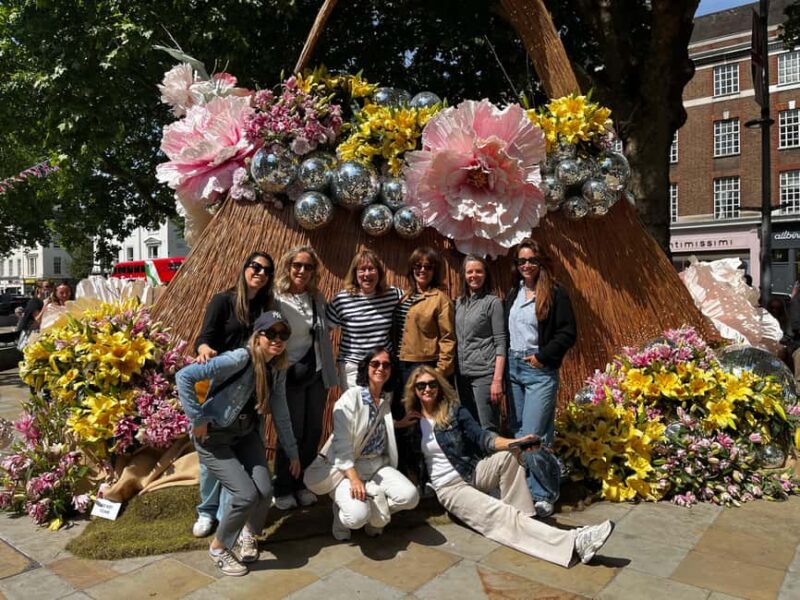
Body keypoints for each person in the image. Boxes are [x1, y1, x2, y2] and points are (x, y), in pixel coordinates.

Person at [403, 366, 613, 567]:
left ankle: (527, 522)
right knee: (500, 513)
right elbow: (400, 455)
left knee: (508, 458)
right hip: (450, 488)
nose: (427, 389)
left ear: (439, 386)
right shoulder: (411, 423)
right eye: (421, 386)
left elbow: (482, 437)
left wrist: (516, 443)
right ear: (414, 390)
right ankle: (574, 543)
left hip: (472, 472)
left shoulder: (452, 410)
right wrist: (398, 425)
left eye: (432, 384)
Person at [176, 311, 300, 577]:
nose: (277, 339)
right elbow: (184, 376)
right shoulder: (239, 358)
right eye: (271, 333)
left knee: (265, 491)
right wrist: (197, 417)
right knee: (246, 495)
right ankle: (219, 548)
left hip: (245, 434)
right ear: (258, 336)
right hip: (214, 438)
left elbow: (281, 411)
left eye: (283, 334)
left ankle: (249, 533)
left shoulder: (277, 368)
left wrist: (292, 452)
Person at [192, 252, 275, 538]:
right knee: (212, 453)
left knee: (238, 456)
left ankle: (228, 514)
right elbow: (204, 337)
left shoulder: (264, 308)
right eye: (255, 267)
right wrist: (204, 349)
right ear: (244, 269)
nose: (260, 273)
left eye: (266, 270)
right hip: (222, 386)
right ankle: (206, 510)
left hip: (251, 389)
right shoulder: (223, 301)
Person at [504, 238, 576, 517]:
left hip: (539, 369)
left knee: (532, 435)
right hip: (513, 367)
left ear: (540, 262)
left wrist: (543, 356)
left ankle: (544, 494)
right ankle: (532, 489)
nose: (526, 265)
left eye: (531, 260)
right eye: (521, 261)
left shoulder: (555, 293)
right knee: (524, 430)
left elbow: (567, 332)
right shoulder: (514, 293)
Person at [328, 347, 419, 540]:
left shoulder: (384, 399)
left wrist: (399, 424)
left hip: (378, 464)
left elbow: (374, 426)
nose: (381, 368)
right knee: (356, 517)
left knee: (411, 497)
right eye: (375, 364)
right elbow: (342, 444)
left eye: (386, 365)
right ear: (365, 368)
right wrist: (353, 479)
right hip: (350, 467)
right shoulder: (351, 399)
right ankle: (341, 510)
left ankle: (374, 513)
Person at [273, 246, 338, 510]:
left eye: (308, 267)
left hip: (317, 370)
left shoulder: (316, 297)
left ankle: (304, 484)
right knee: (292, 431)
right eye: (297, 265)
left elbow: (323, 328)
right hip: (289, 373)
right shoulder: (277, 298)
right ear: (288, 267)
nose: (302, 271)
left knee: (312, 430)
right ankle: (283, 486)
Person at [326, 250, 403, 391]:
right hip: (354, 365)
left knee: (381, 410)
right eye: (362, 270)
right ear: (355, 274)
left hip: (383, 365)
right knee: (356, 409)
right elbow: (325, 330)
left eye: (371, 269)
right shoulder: (342, 300)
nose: (367, 274)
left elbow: (413, 303)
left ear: (379, 272)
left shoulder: (392, 295)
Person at [454, 254, 506, 432]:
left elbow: (500, 343)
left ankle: (496, 460)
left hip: (484, 374)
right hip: (461, 377)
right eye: (469, 272)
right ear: (464, 275)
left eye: (478, 271)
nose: (474, 275)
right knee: (470, 428)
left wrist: (497, 380)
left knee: (488, 427)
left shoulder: (492, 303)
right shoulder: (459, 303)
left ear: (485, 275)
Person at [393, 246, 455, 384]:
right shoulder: (405, 297)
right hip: (399, 364)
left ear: (435, 271)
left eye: (428, 267)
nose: (422, 270)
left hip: (424, 365)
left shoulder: (440, 300)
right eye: (418, 266)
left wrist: (440, 371)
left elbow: (448, 338)